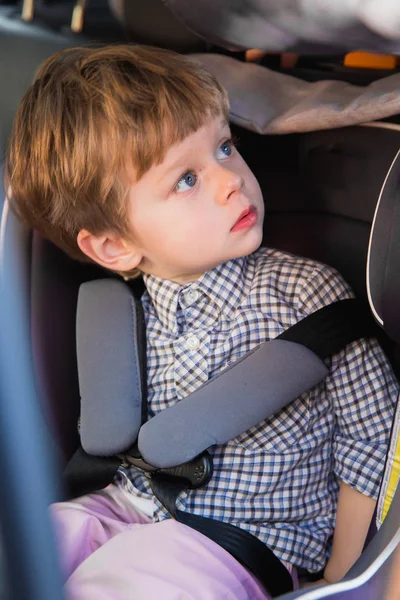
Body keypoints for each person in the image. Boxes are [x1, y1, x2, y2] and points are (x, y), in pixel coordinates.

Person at [5, 44, 398, 600]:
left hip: (245, 538)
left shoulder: (307, 295)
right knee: (33, 543)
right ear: (115, 247)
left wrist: (342, 574)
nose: (230, 180)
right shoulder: (127, 315)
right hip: (128, 504)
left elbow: (371, 441)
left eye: (225, 147)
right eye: (186, 180)